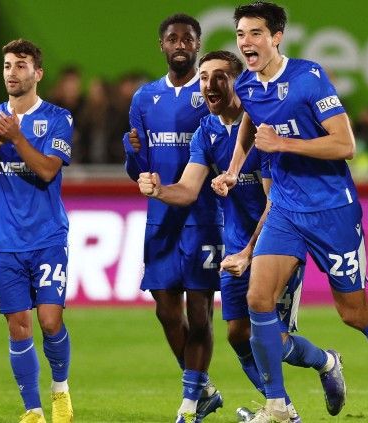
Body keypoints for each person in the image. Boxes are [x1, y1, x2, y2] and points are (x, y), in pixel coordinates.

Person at [213, 3, 368, 422]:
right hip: (287, 210)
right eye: (240, 34)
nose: (246, 42)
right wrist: (235, 170)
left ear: (277, 37)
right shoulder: (249, 86)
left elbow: (345, 145)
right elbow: (251, 126)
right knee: (258, 299)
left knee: (354, 312)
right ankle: (276, 406)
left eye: (255, 33)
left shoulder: (308, 78)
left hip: (332, 210)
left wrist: (284, 146)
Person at [138, 49, 347, 423]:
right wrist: (159, 191)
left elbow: (275, 201)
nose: (209, 84)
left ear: (240, 82)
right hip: (234, 245)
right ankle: (283, 410)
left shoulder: (264, 129)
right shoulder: (207, 131)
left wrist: (251, 251)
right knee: (237, 334)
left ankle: (325, 363)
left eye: (219, 76)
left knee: (271, 339)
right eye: (203, 77)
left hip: (278, 241)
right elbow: (188, 189)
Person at [0, 39, 74, 423]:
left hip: (47, 238)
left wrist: (16, 138)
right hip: (6, 242)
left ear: (37, 73)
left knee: (49, 321)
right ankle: (33, 410)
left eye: (21, 65)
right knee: (19, 325)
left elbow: (47, 170)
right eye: (8, 65)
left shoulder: (59, 118)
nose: (12, 71)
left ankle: (60, 390)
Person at [123, 14, 224, 423]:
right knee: (166, 311)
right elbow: (139, 171)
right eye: (172, 38)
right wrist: (132, 153)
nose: (180, 44)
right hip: (160, 217)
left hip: (203, 216)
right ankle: (204, 388)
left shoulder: (211, 94)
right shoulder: (144, 98)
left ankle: (189, 403)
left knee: (200, 314)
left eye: (188, 38)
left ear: (198, 45)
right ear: (162, 46)